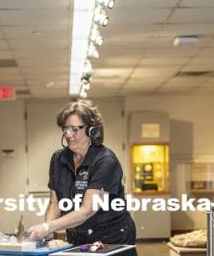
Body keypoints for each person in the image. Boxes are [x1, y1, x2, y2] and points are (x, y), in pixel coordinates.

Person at [28, 100, 136, 245]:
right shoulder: (58, 158)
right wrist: (49, 230)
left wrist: (47, 227)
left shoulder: (105, 160)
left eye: (74, 129)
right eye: (65, 129)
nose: (68, 134)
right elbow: (55, 202)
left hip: (111, 236)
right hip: (78, 234)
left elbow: (87, 210)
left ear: (92, 130)